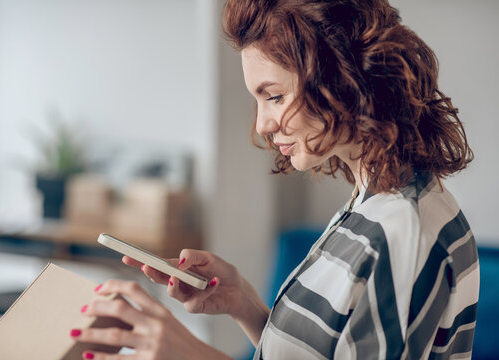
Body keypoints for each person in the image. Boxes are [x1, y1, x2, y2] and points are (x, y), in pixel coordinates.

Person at [70, 0, 479, 359]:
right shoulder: (371, 203)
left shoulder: (401, 232)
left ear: (339, 78)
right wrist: (244, 302)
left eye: (275, 96)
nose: (263, 124)